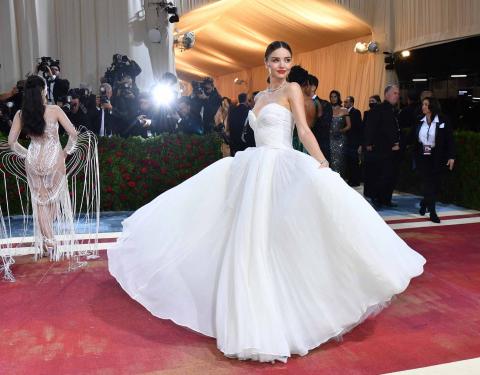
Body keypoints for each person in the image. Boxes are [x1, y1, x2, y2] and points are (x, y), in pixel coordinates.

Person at [107, 41, 425, 363]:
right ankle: (251, 319)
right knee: (243, 241)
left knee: (277, 242)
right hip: (252, 172)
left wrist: (323, 164)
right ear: (266, 63)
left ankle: (287, 317)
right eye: (276, 60)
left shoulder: (292, 92)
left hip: (280, 168)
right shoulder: (258, 97)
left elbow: (303, 129)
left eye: (287, 59)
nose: (283, 64)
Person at [0, 75, 99, 264]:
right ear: (44, 90)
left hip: (33, 158)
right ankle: (50, 239)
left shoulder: (21, 114)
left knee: (40, 201)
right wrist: (65, 152)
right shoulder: (54, 110)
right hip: (54, 158)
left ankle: (48, 240)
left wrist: (25, 154)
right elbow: (74, 134)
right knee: (53, 198)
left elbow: (12, 142)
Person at [408, 97, 455, 223]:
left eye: (426, 104)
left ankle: (424, 202)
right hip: (422, 155)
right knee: (428, 182)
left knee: (435, 184)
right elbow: (411, 136)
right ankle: (432, 212)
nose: (423, 106)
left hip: (437, 156)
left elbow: (450, 140)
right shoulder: (419, 119)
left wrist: (451, 156)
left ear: (432, 106)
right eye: (423, 104)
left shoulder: (443, 120)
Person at [365, 85, 401, 208]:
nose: (397, 95)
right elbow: (371, 127)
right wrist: (369, 143)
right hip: (381, 148)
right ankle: (376, 199)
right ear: (386, 95)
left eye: (398, 93)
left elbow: (394, 129)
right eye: (395, 93)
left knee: (390, 175)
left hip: (392, 149)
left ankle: (386, 199)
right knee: (380, 175)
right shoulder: (379, 108)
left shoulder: (393, 110)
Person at [362, 94, 381, 199]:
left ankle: (375, 193)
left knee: (376, 171)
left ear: (378, 102)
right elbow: (365, 130)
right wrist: (365, 144)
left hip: (378, 146)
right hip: (368, 146)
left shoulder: (382, 114)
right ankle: (367, 192)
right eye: (370, 101)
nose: (371, 103)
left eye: (373, 101)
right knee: (368, 170)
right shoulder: (366, 113)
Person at [329, 90, 351, 176]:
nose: (333, 98)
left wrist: (340, 131)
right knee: (330, 159)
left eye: (335, 96)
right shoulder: (328, 109)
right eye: (331, 97)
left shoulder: (344, 110)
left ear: (338, 98)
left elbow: (349, 126)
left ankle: (339, 181)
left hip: (340, 139)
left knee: (340, 161)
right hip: (330, 138)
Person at [343, 96, 363, 186]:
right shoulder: (344, 112)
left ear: (352, 103)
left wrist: (360, 144)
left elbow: (359, 128)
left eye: (346, 102)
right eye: (344, 102)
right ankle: (350, 179)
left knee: (354, 162)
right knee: (349, 162)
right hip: (346, 140)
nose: (344, 103)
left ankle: (355, 181)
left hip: (354, 141)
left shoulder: (356, 112)